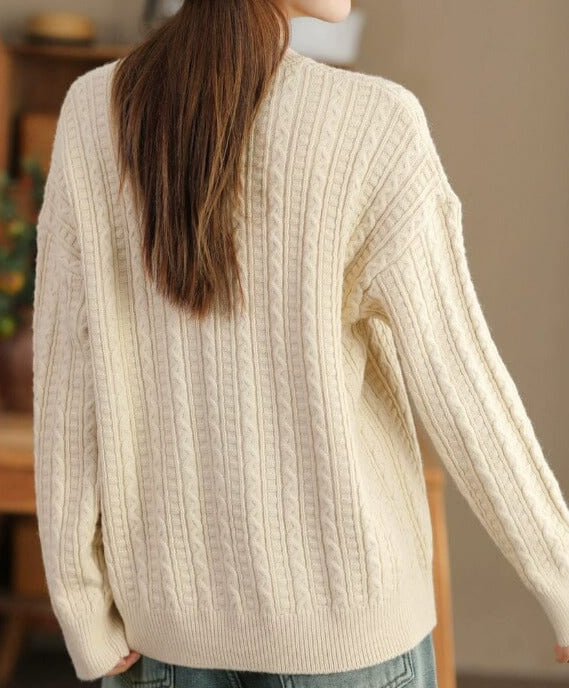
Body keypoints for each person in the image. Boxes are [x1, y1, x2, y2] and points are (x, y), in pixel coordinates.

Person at [31, 0, 569, 686]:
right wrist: (557, 573)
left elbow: (66, 385)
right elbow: (461, 383)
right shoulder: (372, 125)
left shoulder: (92, 114)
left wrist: (80, 605)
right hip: (347, 642)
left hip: (164, 641)